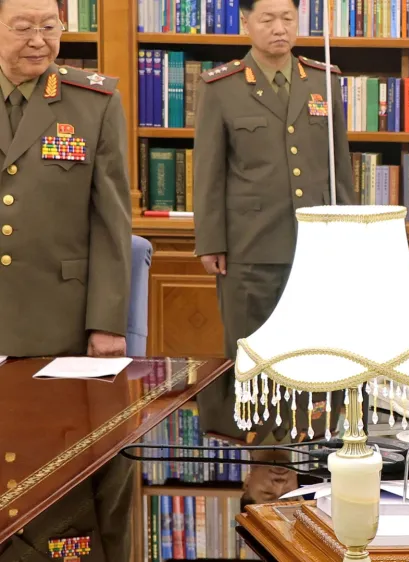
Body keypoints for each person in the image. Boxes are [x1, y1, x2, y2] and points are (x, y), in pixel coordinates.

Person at [0, 0, 134, 559]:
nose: (38, 40)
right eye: (22, 27)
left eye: (49, 27)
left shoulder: (93, 101)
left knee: (62, 482)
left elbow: (111, 219)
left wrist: (106, 323)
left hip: (59, 319)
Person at [192, 0, 355, 446]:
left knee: (317, 349)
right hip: (250, 246)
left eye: (288, 18)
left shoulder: (322, 80)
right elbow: (208, 172)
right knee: (252, 350)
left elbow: (339, 166)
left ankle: (311, 441)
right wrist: (211, 241)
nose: (279, 28)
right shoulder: (221, 86)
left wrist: (353, 234)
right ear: (245, 24)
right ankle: (257, 443)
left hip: (318, 246)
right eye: (267, 19)